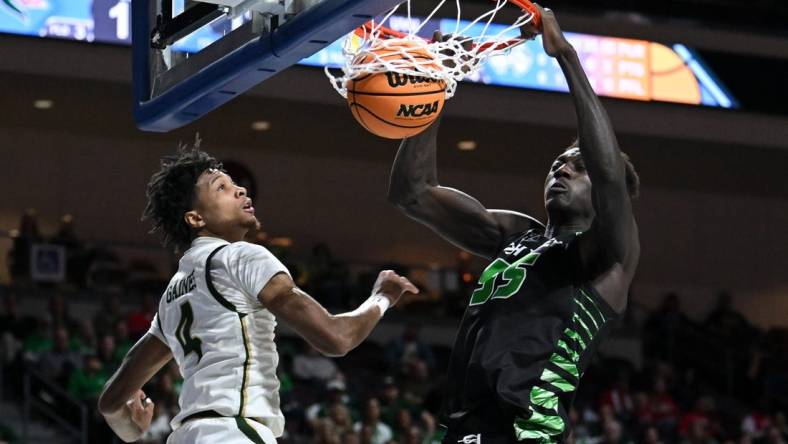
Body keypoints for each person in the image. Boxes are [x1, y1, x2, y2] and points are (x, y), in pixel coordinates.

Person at [387, 5, 640, 443]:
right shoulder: (515, 235)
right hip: (462, 427)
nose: (560, 171)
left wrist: (566, 57)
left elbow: (609, 174)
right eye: (557, 164)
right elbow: (412, 192)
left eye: (577, 168)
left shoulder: (607, 257)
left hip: (526, 432)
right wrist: (436, 90)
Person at [98, 146, 418, 443]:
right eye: (221, 188)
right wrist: (382, 298)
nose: (240, 190)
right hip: (234, 431)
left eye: (235, 184)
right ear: (195, 218)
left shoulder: (171, 295)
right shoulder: (241, 257)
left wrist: (132, 429)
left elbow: (112, 401)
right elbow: (336, 338)